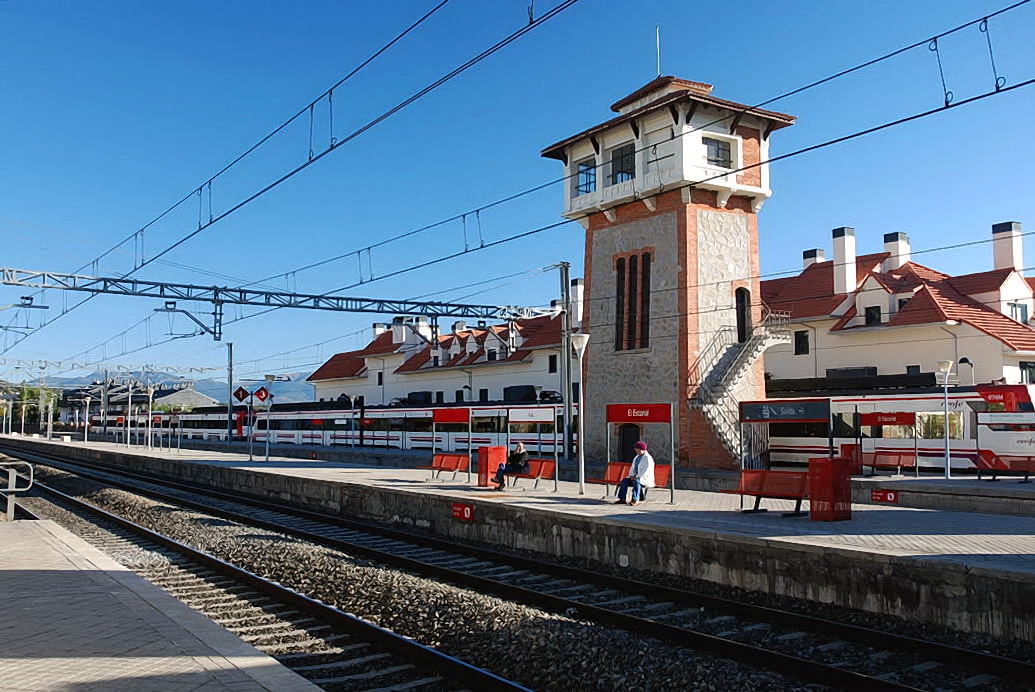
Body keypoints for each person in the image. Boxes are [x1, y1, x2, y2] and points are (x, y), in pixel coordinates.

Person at [615, 441, 654, 506]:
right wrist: (631, 476)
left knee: (636, 482)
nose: (636, 451)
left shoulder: (647, 458)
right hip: (635, 477)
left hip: (644, 478)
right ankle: (622, 499)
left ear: (642, 449)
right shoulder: (637, 457)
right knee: (625, 481)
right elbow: (633, 468)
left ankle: (635, 500)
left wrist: (637, 477)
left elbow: (646, 471)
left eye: (637, 450)